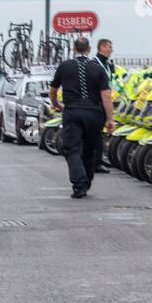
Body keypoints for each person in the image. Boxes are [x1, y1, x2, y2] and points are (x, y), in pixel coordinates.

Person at [49, 37, 114, 199]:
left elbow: (53, 90)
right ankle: (87, 180)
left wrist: (56, 104)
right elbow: (106, 96)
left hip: (73, 112)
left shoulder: (64, 66)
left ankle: (79, 184)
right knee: (90, 149)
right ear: (89, 50)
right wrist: (110, 119)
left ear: (74, 49)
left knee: (72, 148)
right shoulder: (98, 68)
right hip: (94, 113)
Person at [92, 38, 115, 173]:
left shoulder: (106, 64)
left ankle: (98, 160)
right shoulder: (96, 64)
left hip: (103, 101)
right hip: (98, 102)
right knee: (98, 134)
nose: (111, 50)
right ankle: (96, 163)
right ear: (102, 48)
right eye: (109, 47)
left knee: (99, 134)